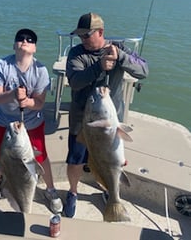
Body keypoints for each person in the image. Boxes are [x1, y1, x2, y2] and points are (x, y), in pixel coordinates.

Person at [63, 12, 149, 218]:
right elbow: (74, 81)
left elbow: (143, 70)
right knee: (75, 161)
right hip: (81, 122)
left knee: (110, 160)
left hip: (111, 122)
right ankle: (73, 192)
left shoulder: (119, 48)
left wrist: (120, 57)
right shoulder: (76, 54)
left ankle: (110, 191)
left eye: (86, 35)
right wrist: (98, 67)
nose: (82, 40)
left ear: (100, 32)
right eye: (80, 36)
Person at [0, 28, 63, 215]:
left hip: (30, 123)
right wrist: (12, 94)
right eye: (20, 38)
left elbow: (39, 104)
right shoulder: (2, 65)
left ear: (35, 48)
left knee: (40, 157)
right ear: (14, 44)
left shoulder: (40, 70)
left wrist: (26, 102)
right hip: (2, 122)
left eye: (29, 39)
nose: (24, 40)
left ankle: (50, 190)